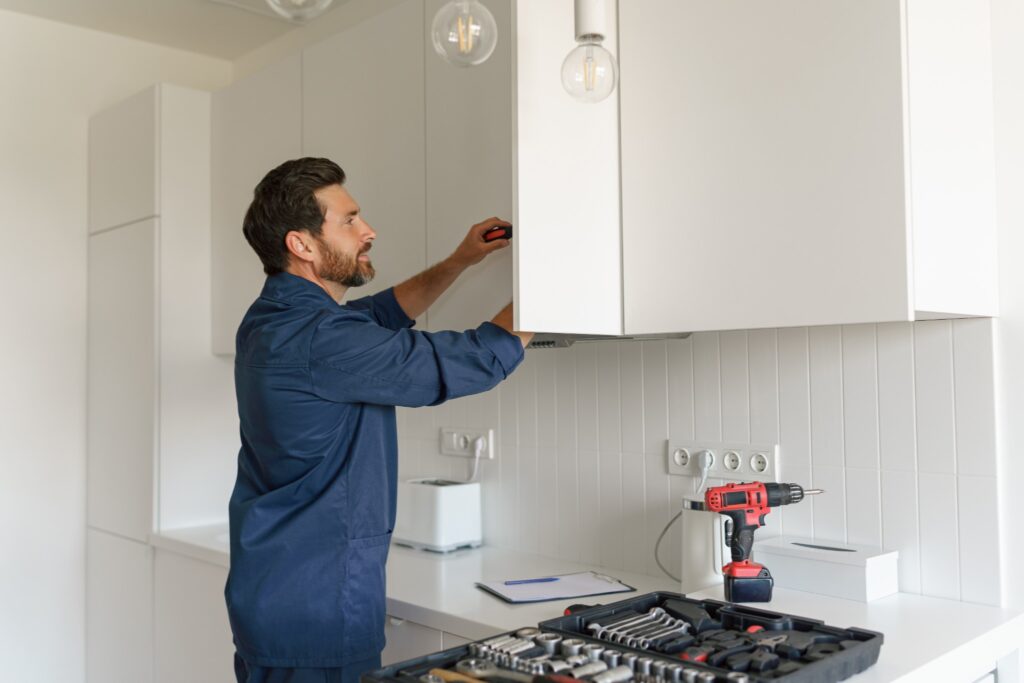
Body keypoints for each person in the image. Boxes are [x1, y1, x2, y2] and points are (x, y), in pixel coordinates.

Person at [225, 157, 532, 683]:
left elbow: (383, 313)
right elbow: (477, 359)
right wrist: (554, 279)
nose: (368, 232)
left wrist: (459, 261)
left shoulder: (278, 317)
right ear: (301, 245)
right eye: (348, 221)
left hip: (278, 594)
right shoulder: (320, 340)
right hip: (316, 611)